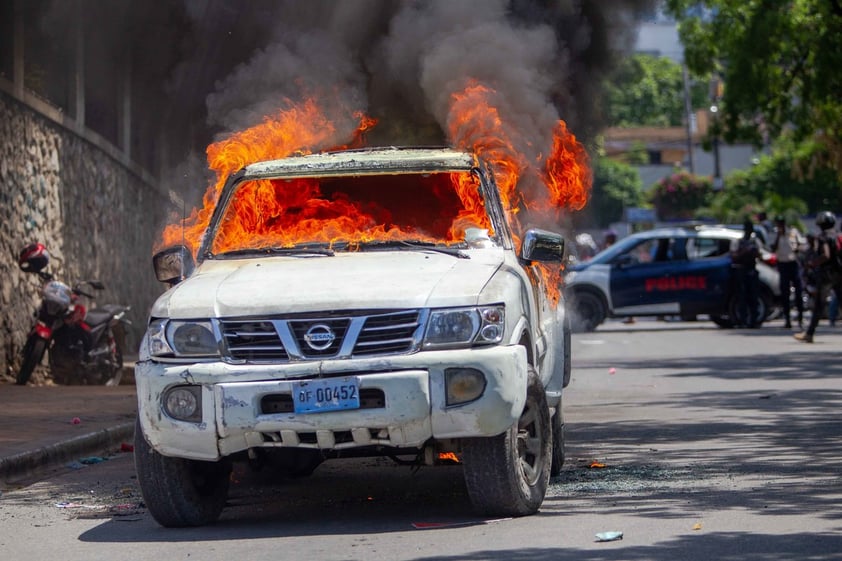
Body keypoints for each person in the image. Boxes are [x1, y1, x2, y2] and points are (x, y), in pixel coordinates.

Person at [795, 211, 842, 343]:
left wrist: (812, 263)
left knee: (819, 305)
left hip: (827, 274)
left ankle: (809, 333)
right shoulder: (837, 235)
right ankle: (809, 333)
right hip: (839, 273)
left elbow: (826, 255)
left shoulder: (823, 237)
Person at [770, 215, 805, 329]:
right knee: (785, 293)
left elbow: (801, 244)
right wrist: (778, 236)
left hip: (793, 263)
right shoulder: (776, 233)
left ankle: (800, 318)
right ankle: (787, 320)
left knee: (798, 291)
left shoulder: (793, 232)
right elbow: (773, 248)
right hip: (782, 264)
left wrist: (797, 249)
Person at [731, 218, 761, 328]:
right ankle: (742, 321)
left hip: (752, 270)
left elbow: (760, 255)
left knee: (754, 297)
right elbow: (733, 256)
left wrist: (754, 252)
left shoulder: (755, 242)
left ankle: (754, 320)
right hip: (741, 270)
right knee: (741, 297)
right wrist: (744, 251)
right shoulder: (738, 242)